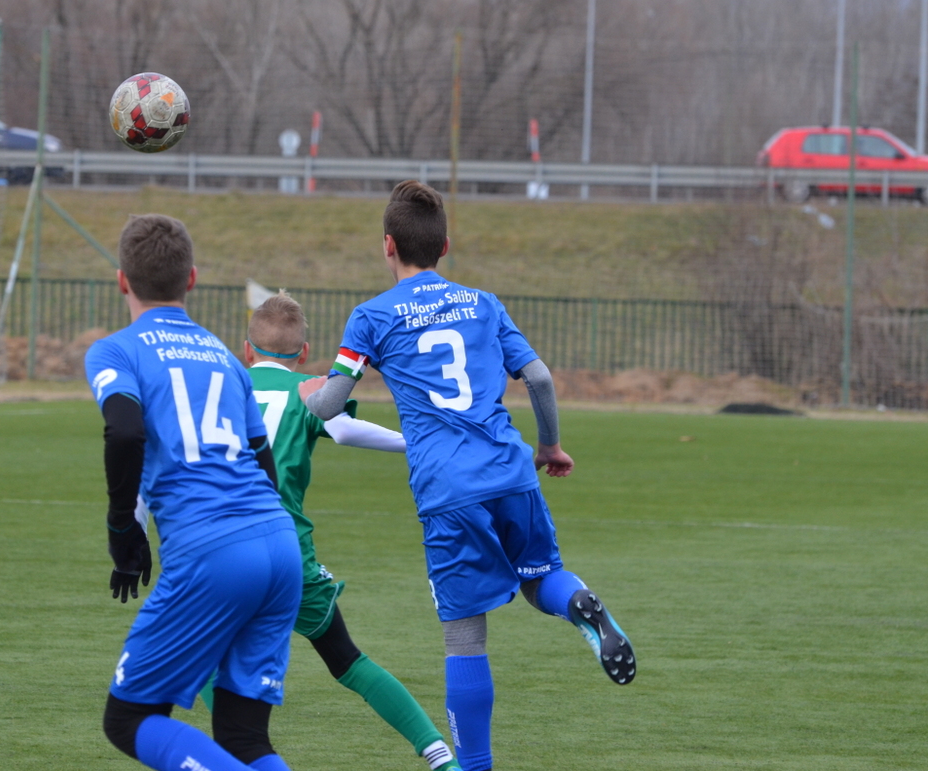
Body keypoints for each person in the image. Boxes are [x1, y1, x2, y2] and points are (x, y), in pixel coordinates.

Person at [299, 181, 636, 771]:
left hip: (447, 490)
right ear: (445, 246)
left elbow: (329, 406)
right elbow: (540, 379)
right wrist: (550, 445)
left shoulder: (371, 317)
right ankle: (581, 603)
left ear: (387, 245)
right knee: (543, 578)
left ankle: (474, 766)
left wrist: (304, 394)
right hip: (510, 468)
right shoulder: (484, 303)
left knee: (465, 638)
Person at [200, 291, 461, 771]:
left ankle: (242, 758)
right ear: (302, 353)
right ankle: (441, 757)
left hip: (219, 551)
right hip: (286, 553)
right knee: (347, 660)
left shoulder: (217, 389)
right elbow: (342, 430)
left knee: (204, 661)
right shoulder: (308, 389)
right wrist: (415, 445)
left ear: (245, 349)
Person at [84, 214, 302, 771]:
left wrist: (121, 528)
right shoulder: (227, 359)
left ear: (121, 281)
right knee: (243, 737)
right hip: (279, 544)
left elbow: (126, 429)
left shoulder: (117, 351)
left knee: (128, 720)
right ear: (193, 279)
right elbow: (264, 460)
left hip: (213, 551)